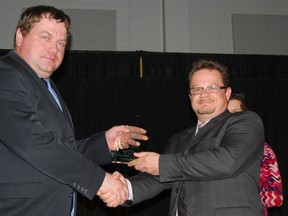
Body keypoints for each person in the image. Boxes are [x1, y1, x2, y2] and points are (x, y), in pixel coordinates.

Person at [0, 5, 148, 216]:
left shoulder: (45, 85)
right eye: (45, 37)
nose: (54, 49)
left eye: (61, 43)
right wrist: (100, 181)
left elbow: (62, 150)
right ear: (20, 36)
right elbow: (33, 143)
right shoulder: (6, 74)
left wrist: (103, 143)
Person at [100, 59, 265, 215]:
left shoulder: (246, 121)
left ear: (227, 93)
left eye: (213, 88)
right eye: (197, 89)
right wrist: (125, 188)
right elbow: (161, 177)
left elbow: (227, 161)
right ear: (190, 96)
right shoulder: (179, 139)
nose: (204, 94)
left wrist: (161, 163)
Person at [228, 93, 283, 216]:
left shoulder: (261, 147)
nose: (230, 117)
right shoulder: (211, 144)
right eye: (226, 113)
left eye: (235, 112)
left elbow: (274, 196)